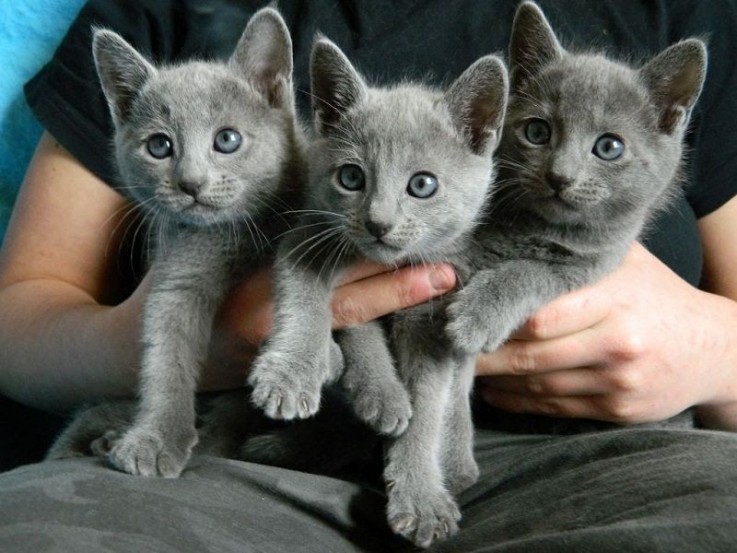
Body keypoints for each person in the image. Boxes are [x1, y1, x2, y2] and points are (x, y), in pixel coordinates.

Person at [1, 0, 736, 551]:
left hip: (596, 460)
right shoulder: (169, 16)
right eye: (538, 132)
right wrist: (189, 344)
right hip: (239, 452)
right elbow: (18, 317)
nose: (561, 167)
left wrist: (710, 349)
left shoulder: (678, 12)